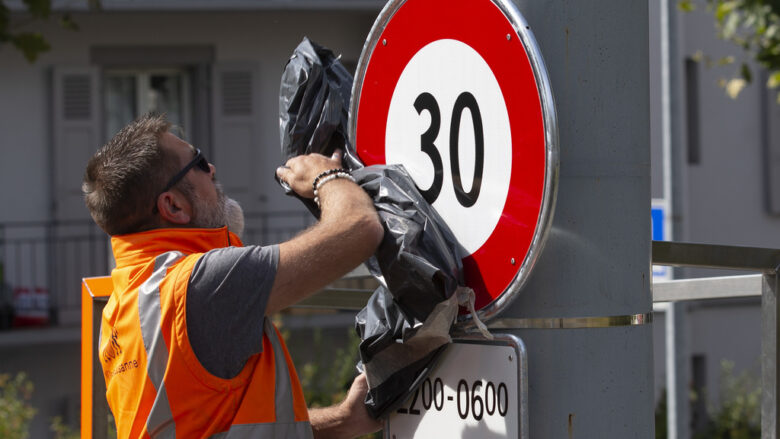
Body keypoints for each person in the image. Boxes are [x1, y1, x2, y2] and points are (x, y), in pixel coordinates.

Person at [82, 113, 384, 439]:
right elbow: (360, 229)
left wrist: (343, 420)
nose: (212, 170)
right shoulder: (200, 285)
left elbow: (211, 426)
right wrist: (326, 176)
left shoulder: (122, 306)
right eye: (199, 162)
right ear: (173, 206)